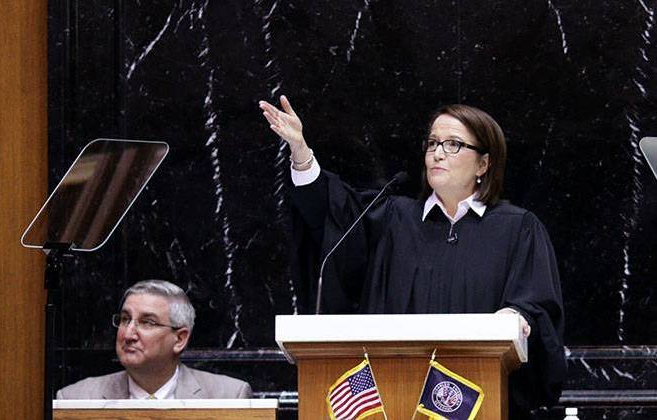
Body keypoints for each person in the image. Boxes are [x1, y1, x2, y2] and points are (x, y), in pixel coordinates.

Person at [259, 96, 566, 417]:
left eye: (453, 145)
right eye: (432, 143)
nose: (437, 153)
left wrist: (517, 318)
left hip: (481, 404)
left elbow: (537, 306)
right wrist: (301, 152)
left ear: (483, 164)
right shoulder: (393, 218)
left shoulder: (517, 228)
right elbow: (331, 213)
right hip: (392, 400)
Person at [56, 279, 252, 399]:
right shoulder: (77, 397)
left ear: (180, 339)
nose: (128, 334)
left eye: (147, 322)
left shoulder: (228, 395)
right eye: (125, 319)